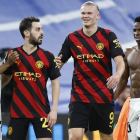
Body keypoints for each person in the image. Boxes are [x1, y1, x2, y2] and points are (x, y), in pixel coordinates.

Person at [55, 1, 125, 140]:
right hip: (79, 97)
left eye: (89, 13)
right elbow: (59, 64)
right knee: (74, 137)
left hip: (103, 96)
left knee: (106, 136)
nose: (85, 16)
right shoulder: (72, 38)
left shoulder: (108, 35)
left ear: (97, 16)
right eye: (83, 13)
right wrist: (54, 66)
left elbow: (120, 61)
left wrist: (117, 75)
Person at [2, 16, 61, 140]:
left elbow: (55, 83)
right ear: (26, 33)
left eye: (41, 29)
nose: (42, 32)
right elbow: (6, 78)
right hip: (18, 113)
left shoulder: (48, 56)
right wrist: (7, 64)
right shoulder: (12, 54)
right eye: (38, 29)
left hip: (41, 112)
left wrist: (54, 110)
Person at [114, 16, 140, 140]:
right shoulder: (128, 53)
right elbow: (123, 80)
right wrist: (111, 99)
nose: (137, 33)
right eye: (135, 30)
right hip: (133, 103)